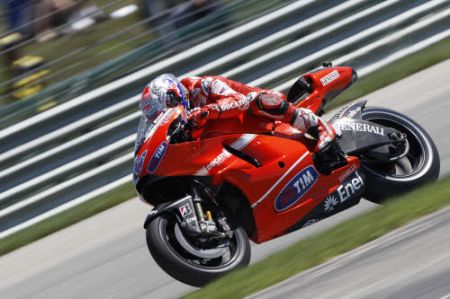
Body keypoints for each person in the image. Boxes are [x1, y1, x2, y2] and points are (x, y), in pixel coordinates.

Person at [140, 74, 336, 153]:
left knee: (260, 101)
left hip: (260, 115)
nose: (168, 114)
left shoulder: (203, 86)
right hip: (237, 139)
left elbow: (239, 101)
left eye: (167, 107)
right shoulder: (183, 121)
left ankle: (319, 127)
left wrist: (205, 111)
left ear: (175, 95)